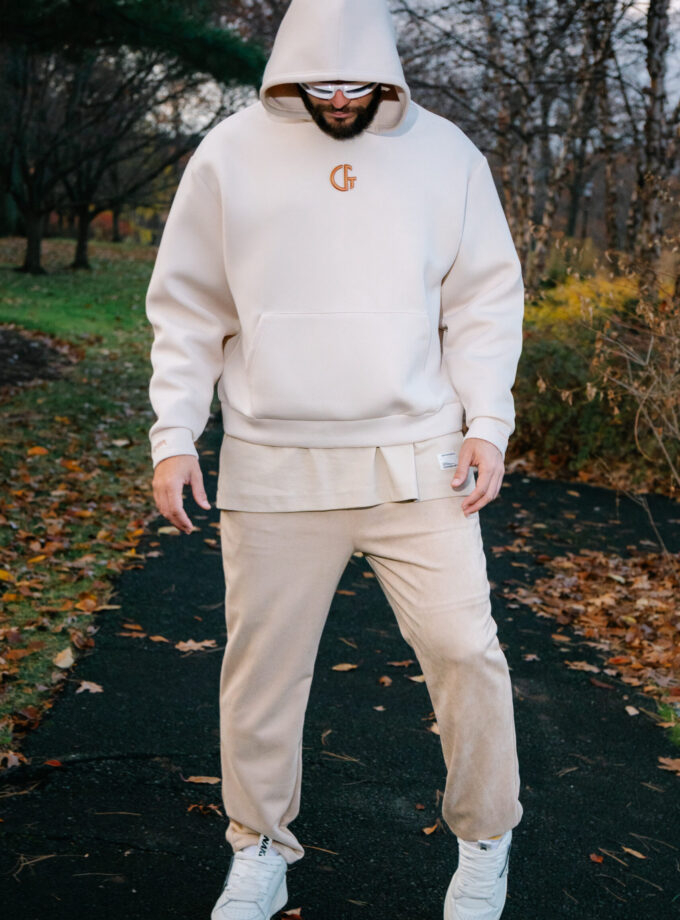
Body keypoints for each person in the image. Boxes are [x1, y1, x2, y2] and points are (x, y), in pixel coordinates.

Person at [145, 0, 525, 917]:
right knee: (262, 674)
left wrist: (488, 425)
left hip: (416, 456)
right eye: (324, 83)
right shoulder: (229, 154)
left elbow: (484, 300)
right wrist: (172, 436)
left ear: (387, 73)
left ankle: (485, 836)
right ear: (289, 72)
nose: (342, 98)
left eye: (359, 83)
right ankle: (260, 847)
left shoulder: (448, 156)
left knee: (464, 651)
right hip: (276, 458)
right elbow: (190, 308)